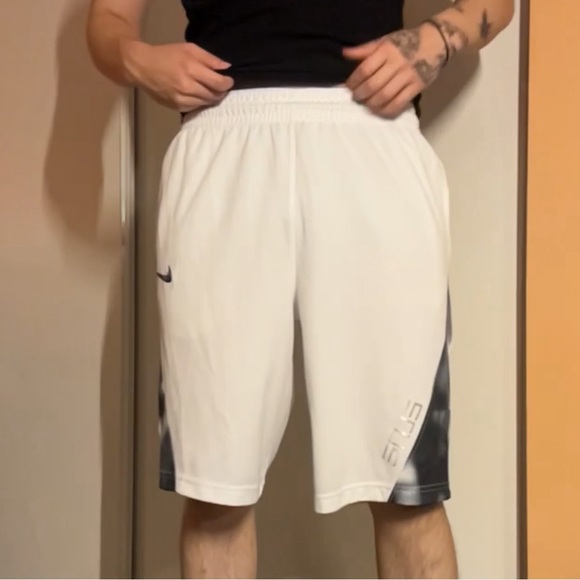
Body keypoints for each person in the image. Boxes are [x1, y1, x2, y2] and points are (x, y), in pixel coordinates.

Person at [87, 0, 514, 577]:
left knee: (407, 485)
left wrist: (437, 39)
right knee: (215, 491)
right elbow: (108, 19)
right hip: (223, 140)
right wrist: (138, 61)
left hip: (370, 132)